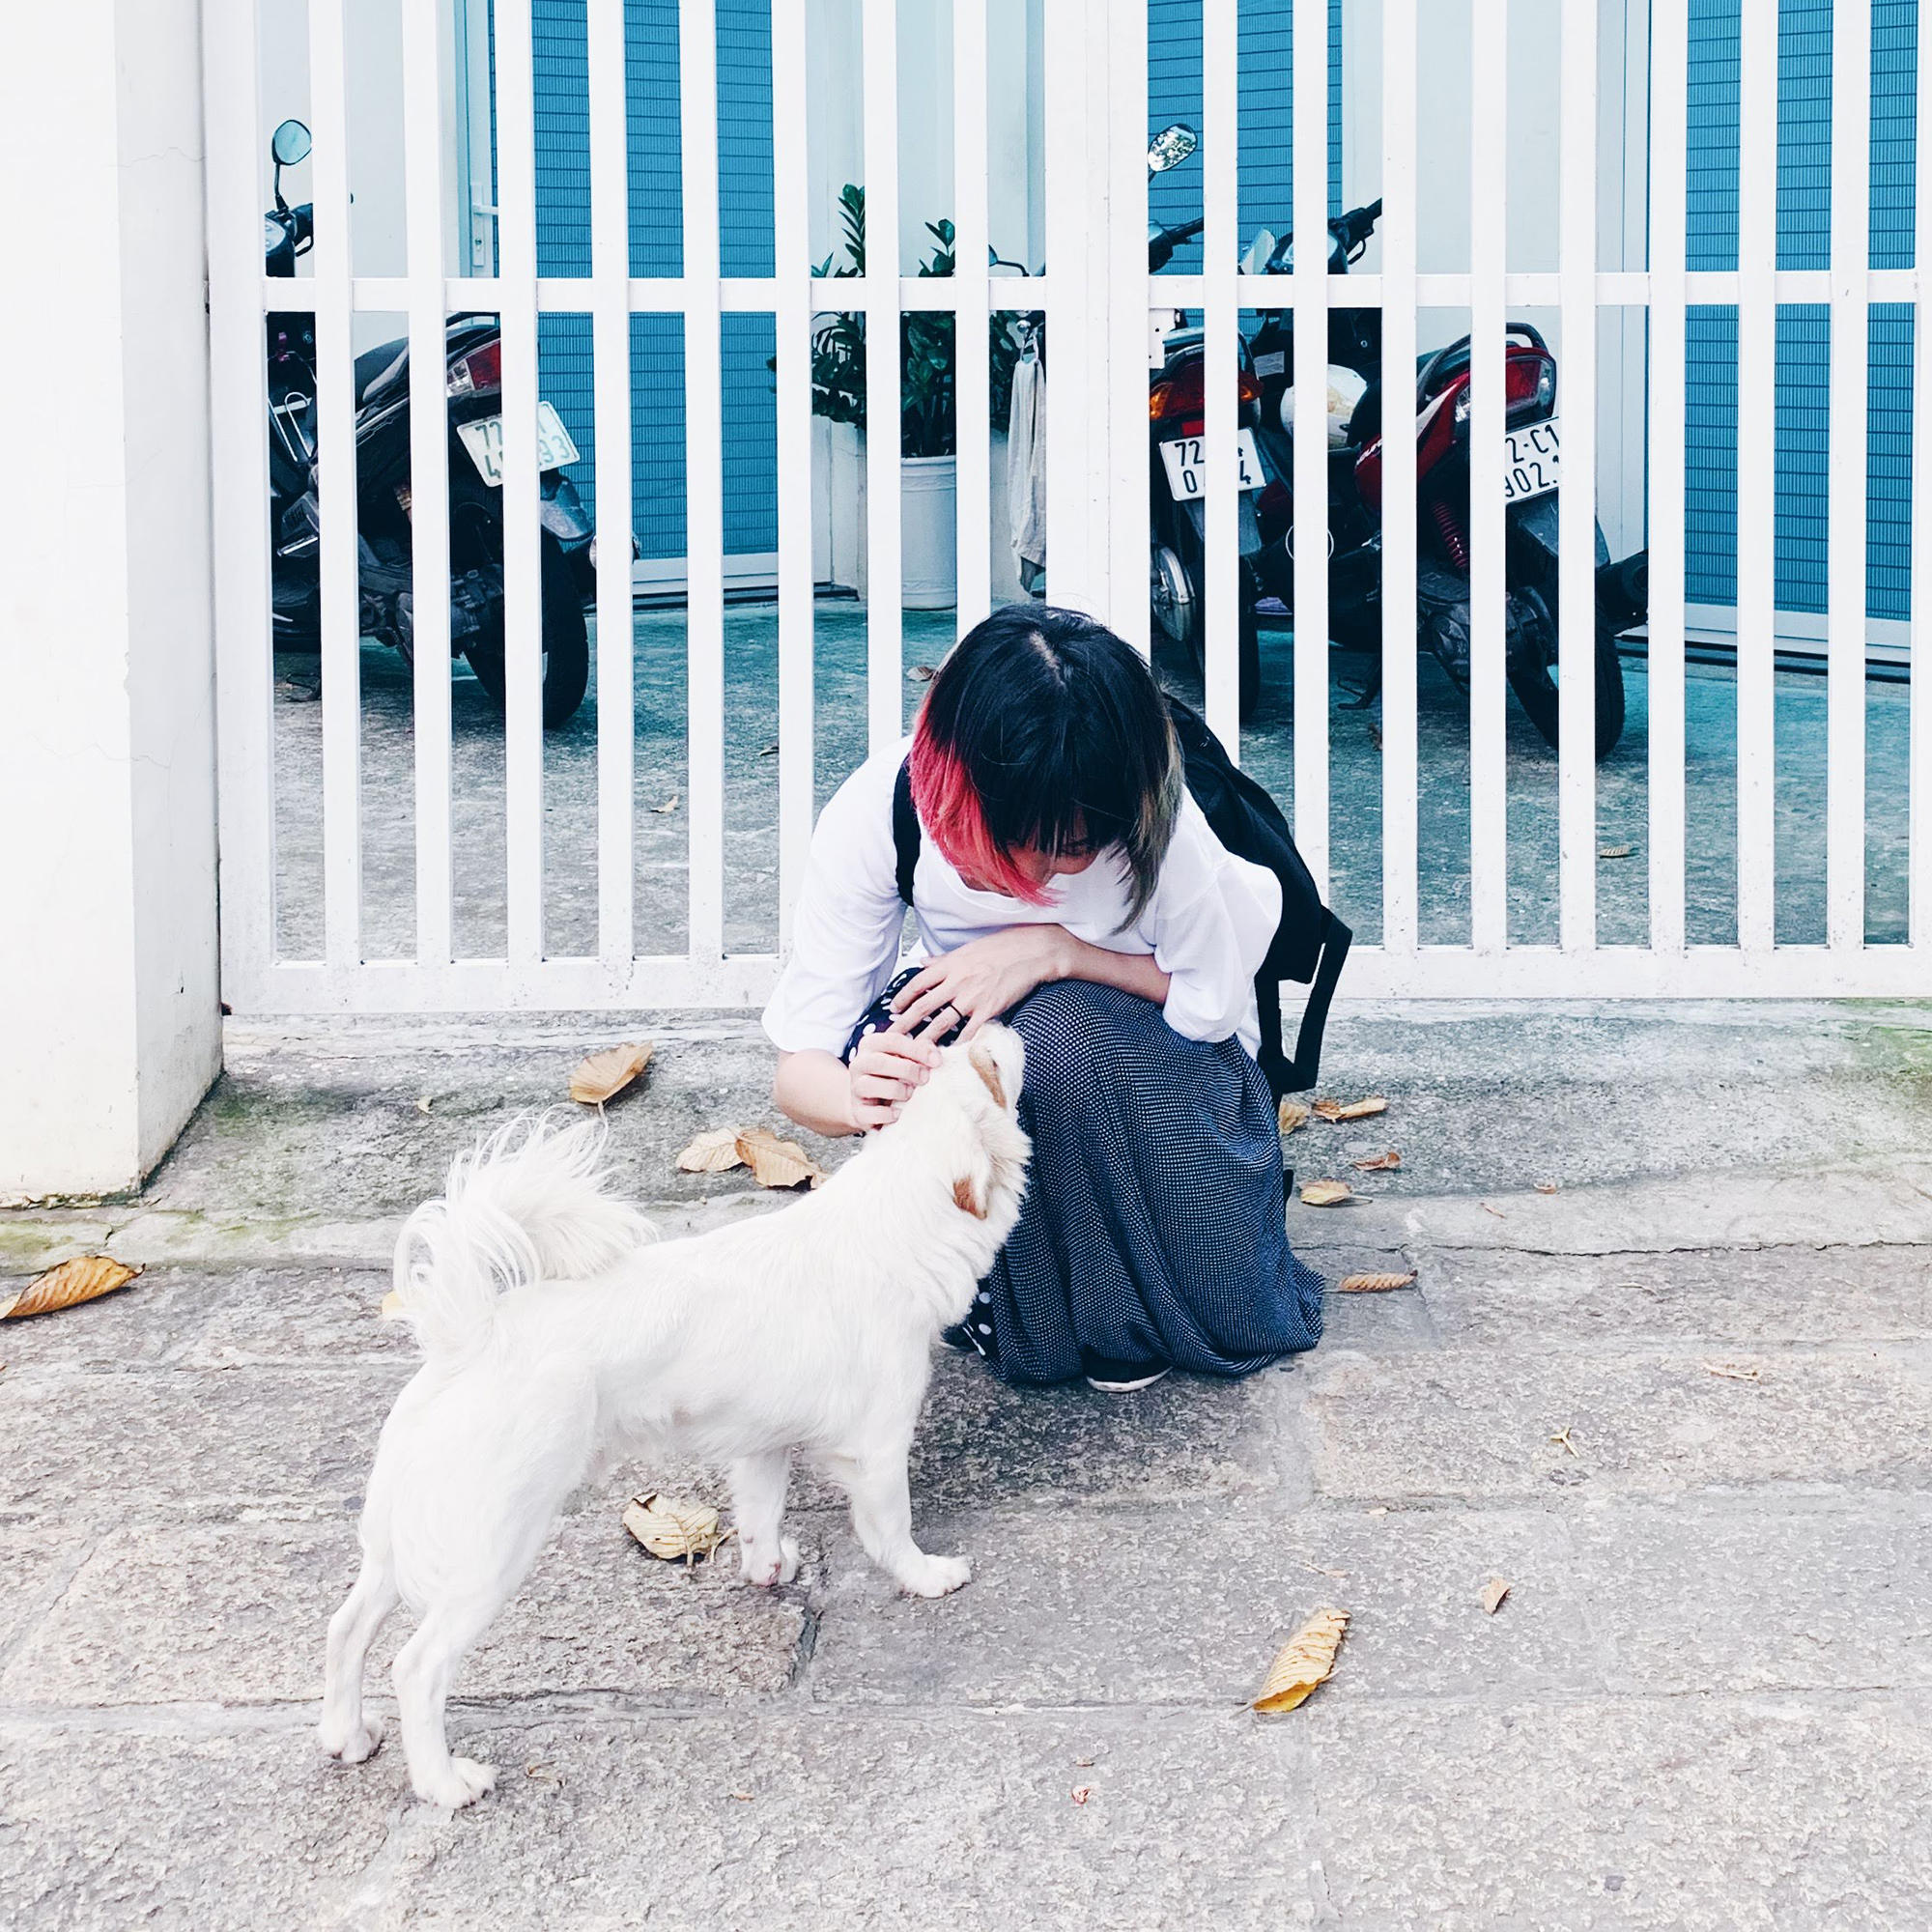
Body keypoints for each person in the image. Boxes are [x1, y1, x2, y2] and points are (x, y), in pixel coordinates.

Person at [763, 604, 1323, 1391]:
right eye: (1007, 843)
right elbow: (800, 1070)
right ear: (952, 782)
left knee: (1057, 1038)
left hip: (1173, 1084)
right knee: (913, 1028)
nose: (1035, 878)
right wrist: (858, 1095)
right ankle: (1028, 1304)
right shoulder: (880, 810)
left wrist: (1057, 952)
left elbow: (1212, 1005)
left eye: (1071, 850)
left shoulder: (1153, 823)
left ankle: (1120, 1311)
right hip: (1016, 1051)